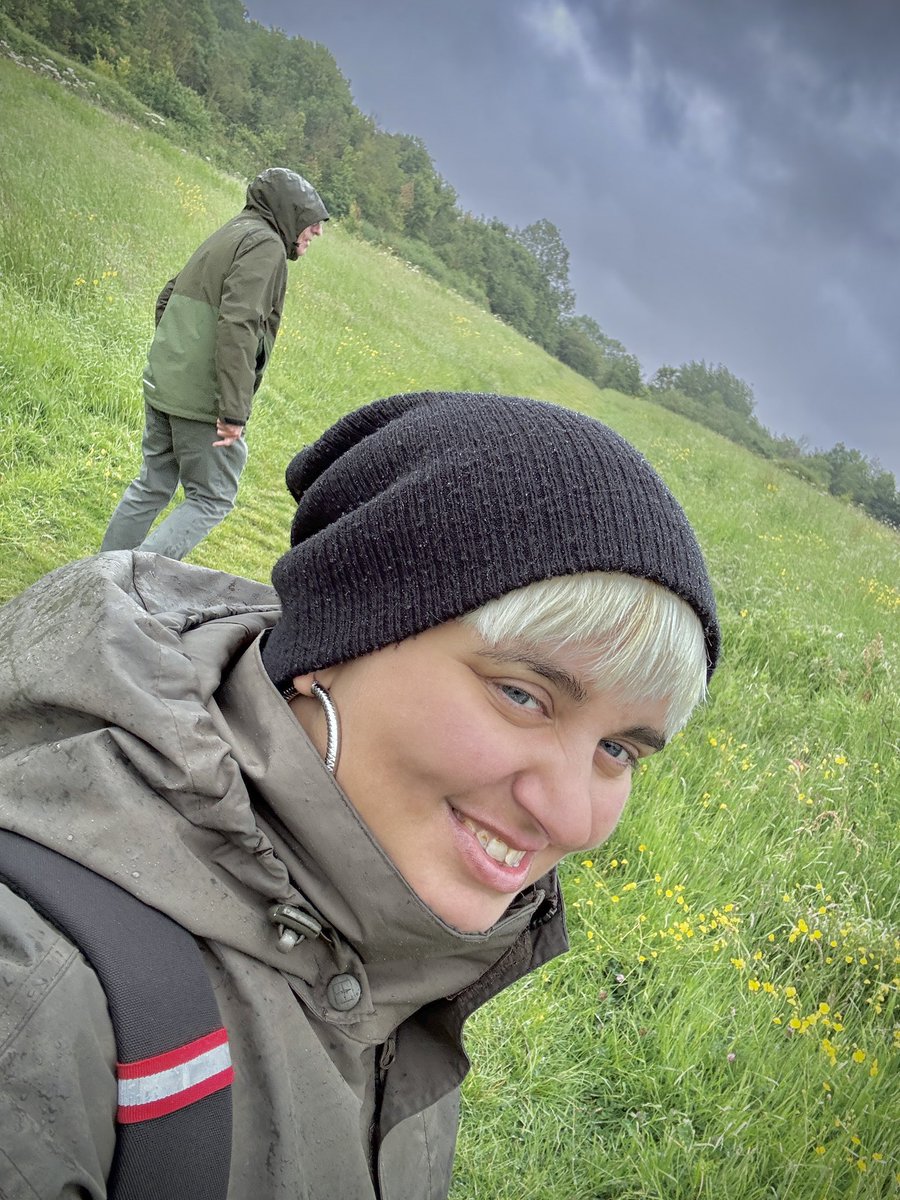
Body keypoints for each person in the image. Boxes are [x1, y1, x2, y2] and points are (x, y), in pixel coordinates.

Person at [0, 391, 720, 1199]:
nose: (569, 816)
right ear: (335, 642)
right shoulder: (35, 1003)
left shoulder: (405, 944)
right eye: (523, 695)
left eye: (617, 749)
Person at [100, 166, 329, 561]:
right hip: (200, 399)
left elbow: (167, 296)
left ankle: (94, 577)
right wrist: (233, 412)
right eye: (311, 221)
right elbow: (238, 325)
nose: (317, 232)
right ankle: (129, 585)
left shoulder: (234, 230)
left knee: (153, 483)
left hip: (165, 382)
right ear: (289, 214)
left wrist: (177, 358)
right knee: (212, 498)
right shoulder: (265, 245)